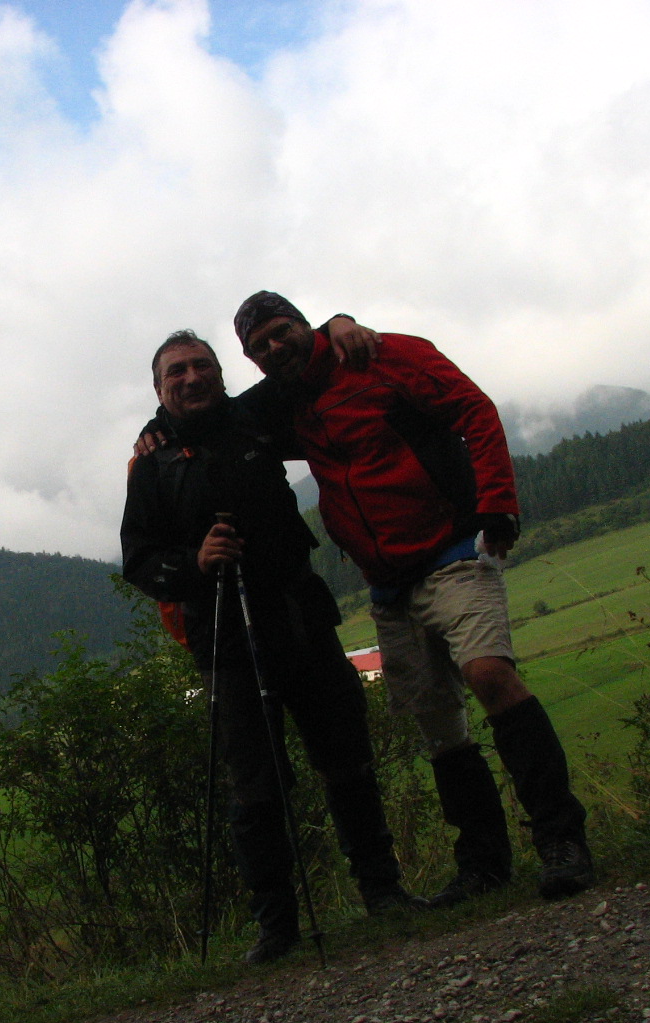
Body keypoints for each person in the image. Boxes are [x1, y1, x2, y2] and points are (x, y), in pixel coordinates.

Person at [228, 291, 595, 906]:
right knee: (440, 728)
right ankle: (484, 865)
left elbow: (474, 409)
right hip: (388, 584)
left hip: (452, 550)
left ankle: (562, 841)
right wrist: (151, 438)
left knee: (489, 675)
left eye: (281, 330)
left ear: (304, 324)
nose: (273, 346)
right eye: (258, 345)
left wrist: (497, 503)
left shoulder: (382, 355)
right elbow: (217, 419)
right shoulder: (284, 402)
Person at [121, 325, 427, 965]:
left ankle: (382, 890)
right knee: (255, 785)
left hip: (299, 615)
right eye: (176, 372)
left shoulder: (256, 415)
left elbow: (307, 364)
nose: (191, 378)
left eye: (201, 366)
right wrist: (194, 562)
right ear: (158, 388)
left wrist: (337, 322)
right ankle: (276, 927)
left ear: (220, 373)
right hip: (224, 637)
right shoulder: (149, 465)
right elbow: (140, 561)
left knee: (346, 757)